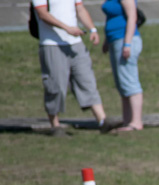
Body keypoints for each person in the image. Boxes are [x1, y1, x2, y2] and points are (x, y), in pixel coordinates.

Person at [32, 0, 109, 135]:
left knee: (87, 80)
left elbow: (80, 9)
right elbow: (42, 14)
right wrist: (67, 28)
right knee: (55, 85)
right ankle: (55, 125)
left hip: (75, 43)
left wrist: (92, 29)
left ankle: (102, 121)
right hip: (52, 44)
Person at [100, 0, 143, 131]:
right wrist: (107, 40)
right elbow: (111, 17)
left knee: (129, 81)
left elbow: (132, 16)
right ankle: (127, 120)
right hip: (114, 39)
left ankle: (136, 122)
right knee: (122, 83)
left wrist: (127, 43)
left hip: (125, 40)